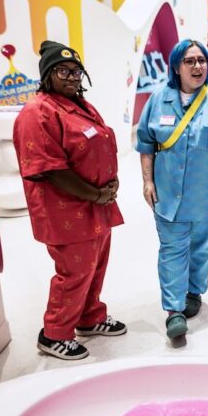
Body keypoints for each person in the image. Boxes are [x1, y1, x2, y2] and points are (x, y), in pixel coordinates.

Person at [13, 40, 127, 361]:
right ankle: (55, 334)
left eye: (77, 71)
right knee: (74, 272)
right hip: (68, 209)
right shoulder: (37, 112)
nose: (72, 77)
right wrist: (97, 192)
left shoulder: (80, 104)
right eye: (62, 71)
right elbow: (49, 170)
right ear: (46, 75)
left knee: (96, 266)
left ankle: (90, 318)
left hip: (97, 204)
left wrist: (109, 184)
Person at [136, 39, 208, 339]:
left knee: (201, 249)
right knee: (172, 249)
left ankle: (194, 292)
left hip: (207, 195)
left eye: (202, 61)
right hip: (168, 195)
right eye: (190, 61)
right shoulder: (159, 99)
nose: (198, 66)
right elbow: (146, 144)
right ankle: (174, 310)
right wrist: (147, 180)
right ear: (176, 66)